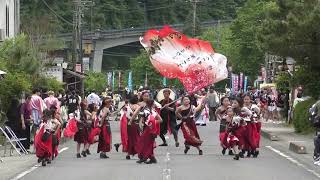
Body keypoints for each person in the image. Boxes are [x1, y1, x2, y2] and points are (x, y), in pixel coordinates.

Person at [135, 99, 163, 164]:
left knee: (145, 143)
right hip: (149, 128)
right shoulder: (149, 111)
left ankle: (144, 157)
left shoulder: (151, 111)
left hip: (149, 129)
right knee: (147, 143)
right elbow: (160, 120)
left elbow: (160, 120)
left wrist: (152, 122)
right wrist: (152, 123)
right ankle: (151, 158)